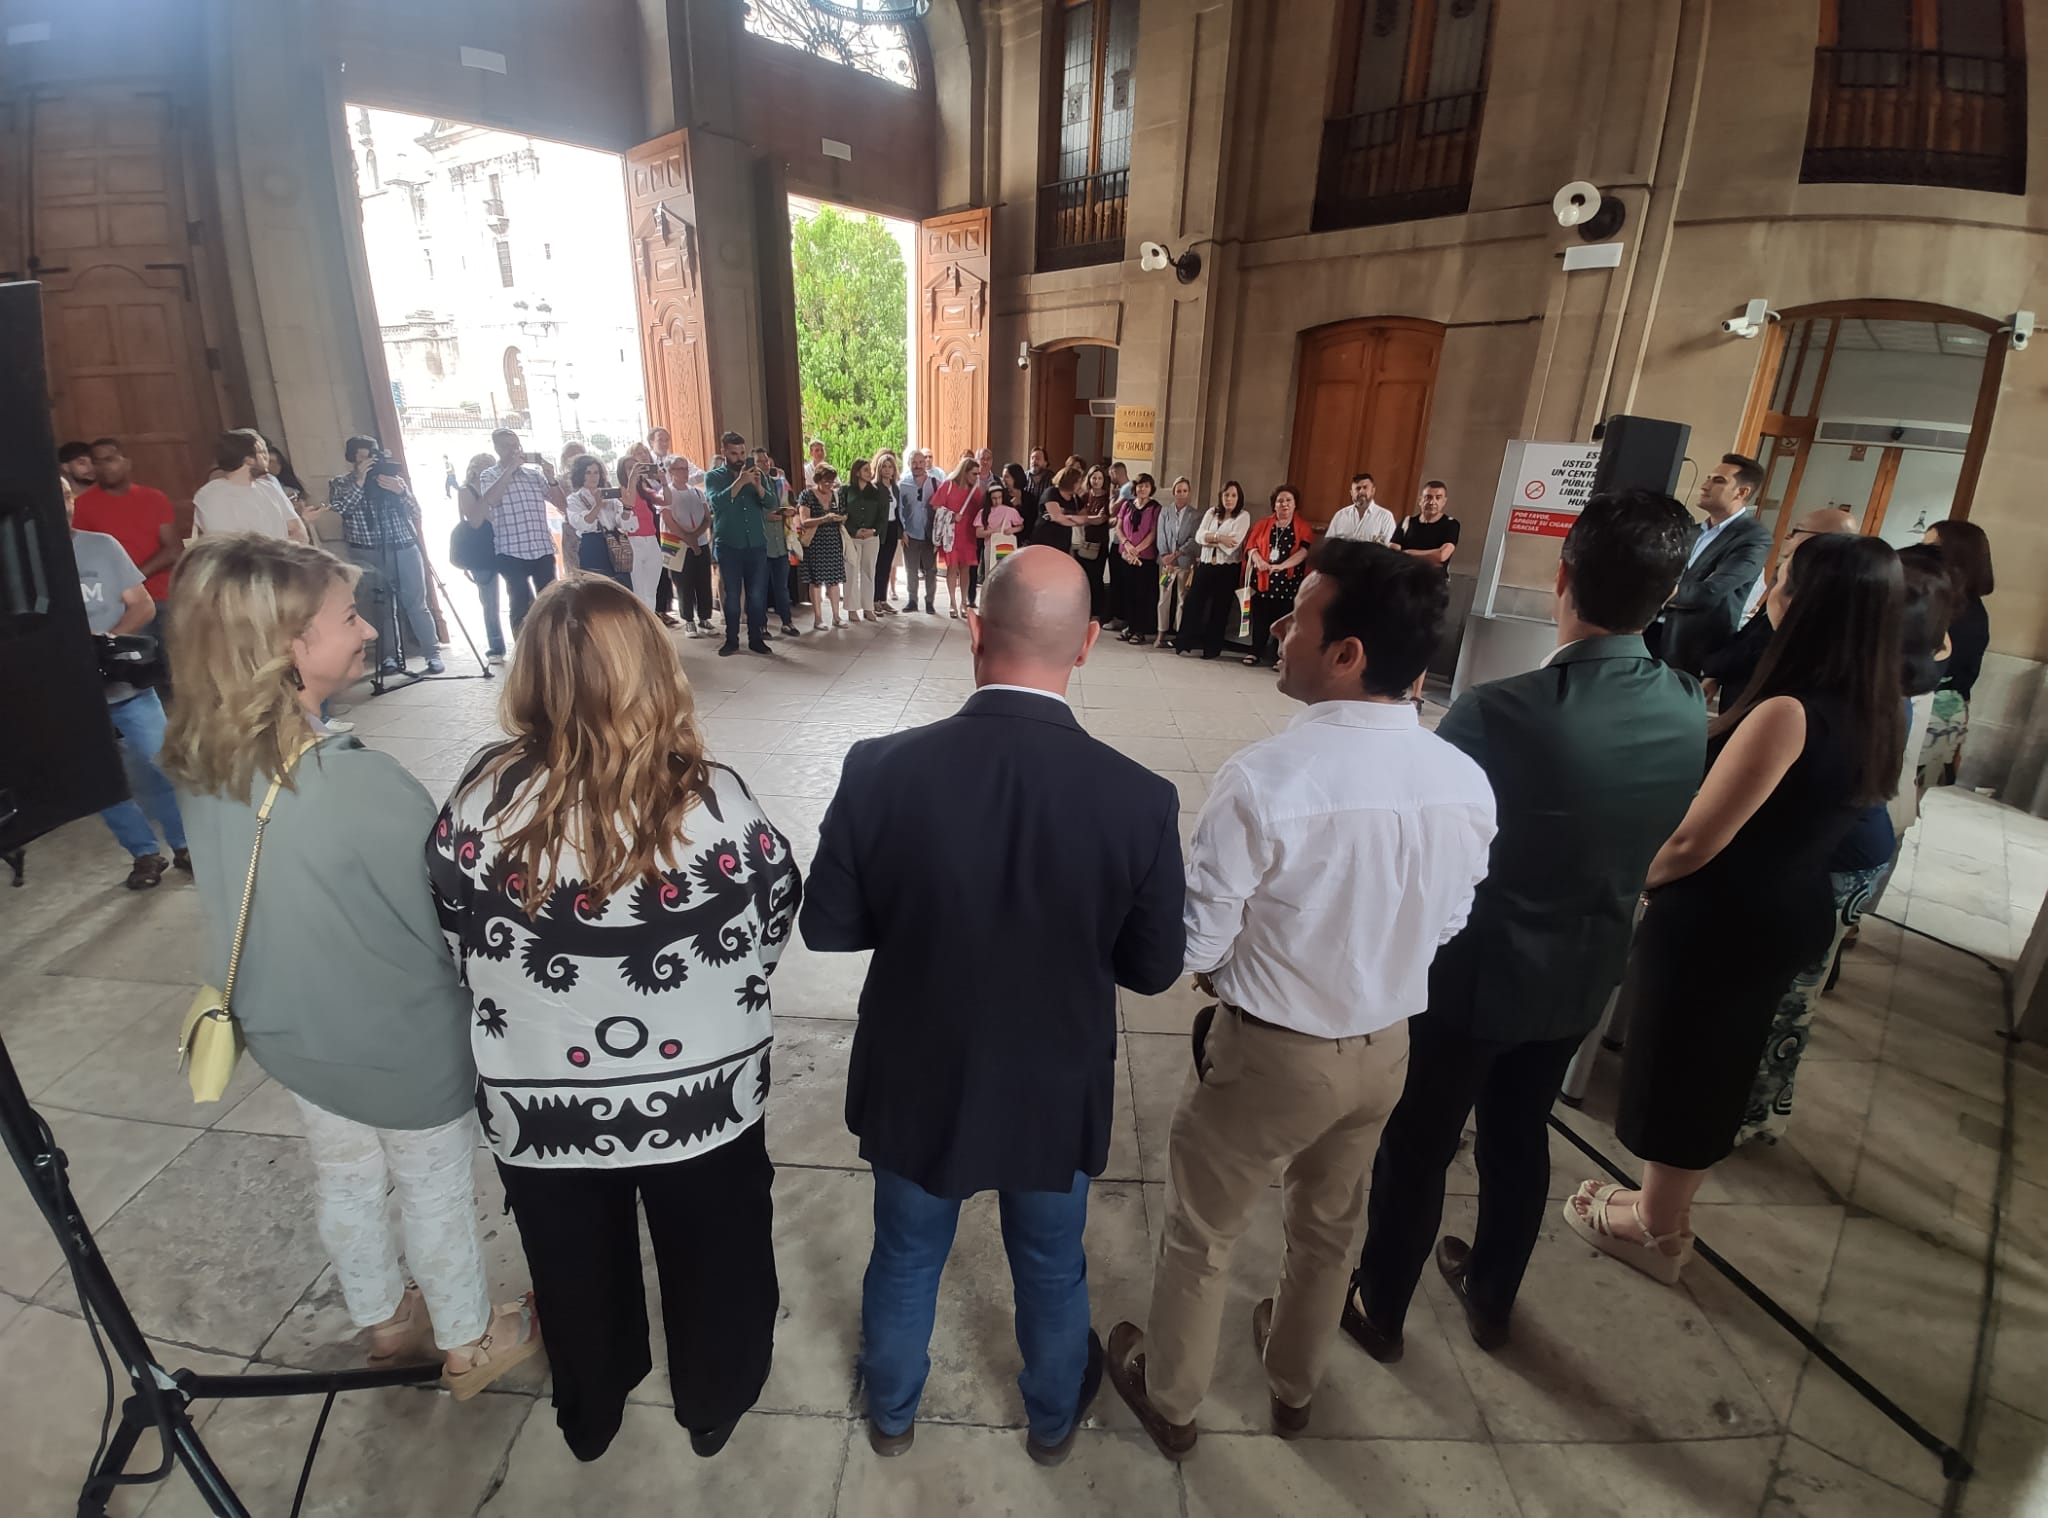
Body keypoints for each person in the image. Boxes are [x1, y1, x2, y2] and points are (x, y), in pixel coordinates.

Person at [1106, 540, 1496, 1459]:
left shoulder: (1267, 779)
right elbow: (1448, 922)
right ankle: (1293, 1386)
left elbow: (1197, 941)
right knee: (1330, 1227)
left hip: (1274, 1056)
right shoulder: (1463, 780)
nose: (1278, 629)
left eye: (1300, 616)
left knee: (1203, 1231)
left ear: (1349, 653)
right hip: (1387, 1049)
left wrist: (1237, 962)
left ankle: (1172, 1399)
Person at [801, 546, 1185, 1466]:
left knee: (904, 1254)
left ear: (973, 631)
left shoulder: (879, 768)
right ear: (1088, 645)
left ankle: (892, 1413)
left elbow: (827, 928)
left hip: (918, 1075)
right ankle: (1052, 1421)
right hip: (1052, 1084)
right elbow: (1154, 969)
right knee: (1052, 1264)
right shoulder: (1140, 799)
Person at [428, 576, 800, 1462]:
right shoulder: (712, 800)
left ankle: (591, 1411)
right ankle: (713, 1401)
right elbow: (775, 911)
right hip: (703, 1097)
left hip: (540, 1098)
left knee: (571, 1264)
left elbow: (453, 928)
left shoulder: (480, 800)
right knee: (720, 1259)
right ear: (651, 671)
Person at [161, 534, 539, 1394]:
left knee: (344, 1173)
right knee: (433, 1183)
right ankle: (470, 1341)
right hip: (395, 1038)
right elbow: (450, 914)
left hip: (292, 1031)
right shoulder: (356, 783)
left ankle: (381, 1318)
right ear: (291, 644)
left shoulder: (202, 759)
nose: (368, 629)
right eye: (348, 616)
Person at [1343, 490, 1703, 1364]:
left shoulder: (1498, 711)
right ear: (1666, 593)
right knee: (1518, 1131)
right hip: (1584, 970)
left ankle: (1378, 1307)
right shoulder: (1688, 702)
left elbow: (1427, 845)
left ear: (1564, 576)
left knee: (1419, 1144)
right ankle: (1493, 1292)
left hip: (1475, 974)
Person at [1565, 533, 1904, 1283]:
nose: (1769, 589)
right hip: (1785, 908)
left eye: (1782, 578)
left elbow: (1694, 842)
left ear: (1814, 604)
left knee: (1680, 1073)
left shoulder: (1789, 711)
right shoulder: (1878, 704)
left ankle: (1655, 1233)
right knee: (1715, 1069)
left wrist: (1623, 884)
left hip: (1726, 918)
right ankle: (1662, 1213)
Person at [1740, 543, 1957, 1145]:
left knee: (1790, 997)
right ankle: (1759, 1105)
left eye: (1784, 581)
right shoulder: (1862, 675)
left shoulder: (1853, 688)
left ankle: (1754, 1111)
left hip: (1833, 857)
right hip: (1839, 852)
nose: (1773, 593)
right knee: (1792, 991)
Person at [68, 486, 190, 888]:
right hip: (69, 695)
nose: (64, 505)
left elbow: (141, 605)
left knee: (162, 761)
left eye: (67, 497)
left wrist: (102, 644)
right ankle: (143, 853)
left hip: (123, 683)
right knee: (100, 780)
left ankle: (186, 844)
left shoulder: (101, 547)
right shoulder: (18, 557)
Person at [1700, 506, 1855, 712]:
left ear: (1826, 540)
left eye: (1797, 531)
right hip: (1738, 697)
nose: (1788, 537)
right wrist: (1716, 674)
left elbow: (1764, 648)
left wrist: (1717, 664)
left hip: (1767, 707)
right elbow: (1752, 633)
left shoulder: (1824, 600)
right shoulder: (1790, 577)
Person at [1646, 454, 1769, 676]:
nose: (1705, 486)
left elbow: (1709, 592)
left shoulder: (1753, 538)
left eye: (1718, 481)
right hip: (1651, 634)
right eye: (1708, 478)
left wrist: (1656, 590)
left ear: (1742, 493)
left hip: (1690, 648)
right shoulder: (1691, 531)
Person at [330, 441, 443, 676]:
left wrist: (400, 492)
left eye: (372, 457)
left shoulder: (392, 480)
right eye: (363, 459)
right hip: (367, 550)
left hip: (403, 547)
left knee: (416, 604)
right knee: (381, 607)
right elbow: (343, 508)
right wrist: (360, 482)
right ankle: (389, 656)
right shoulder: (341, 482)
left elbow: (415, 512)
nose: (369, 463)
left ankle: (432, 654)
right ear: (353, 459)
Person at [72, 437, 181, 625]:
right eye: (97, 462)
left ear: (127, 463)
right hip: (117, 603)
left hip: (162, 595)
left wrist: (132, 579)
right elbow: (83, 555)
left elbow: (173, 550)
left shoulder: (155, 498)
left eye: (110, 459)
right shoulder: (81, 506)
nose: (104, 467)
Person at [1918, 518, 1993, 790]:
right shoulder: (1963, 606)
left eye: (1930, 549)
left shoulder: (1956, 611)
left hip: (1930, 714)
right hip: (1944, 713)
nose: (1920, 556)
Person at [476, 428, 564, 633]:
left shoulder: (534, 475)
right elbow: (492, 500)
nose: (513, 450)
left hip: (541, 548)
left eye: (515, 445)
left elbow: (560, 503)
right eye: (507, 446)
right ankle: (524, 649)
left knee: (551, 601)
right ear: (497, 448)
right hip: (511, 551)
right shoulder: (489, 475)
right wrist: (510, 469)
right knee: (521, 602)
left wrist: (551, 478)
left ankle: (552, 643)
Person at [704, 430, 774, 656]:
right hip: (729, 545)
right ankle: (731, 639)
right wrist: (739, 482)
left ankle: (756, 638)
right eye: (734, 453)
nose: (740, 457)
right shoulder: (713, 477)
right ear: (724, 452)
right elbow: (717, 503)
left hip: (756, 544)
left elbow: (771, 503)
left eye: (742, 452)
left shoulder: (757, 474)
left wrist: (758, 487)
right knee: (732, 595)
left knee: (756, 595)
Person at [1174, 481, 1253, 661]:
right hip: (1206, 564)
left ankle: (1212, 648)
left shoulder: (1243, 516)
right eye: (1226, 495)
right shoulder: (1211, 512)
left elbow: (1233, 544)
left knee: (1220, 609)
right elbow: (1200, 536)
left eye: (1233, 495)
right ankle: (1185, 642)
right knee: (1193, 602)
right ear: (1221, 496)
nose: (1229, 499)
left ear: (1239, 497)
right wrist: (1219, 537)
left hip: (1227, 568)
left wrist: (1213, 539)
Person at [1239, 486, 1313, 667]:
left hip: (1287, 582)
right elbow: (1251, 547)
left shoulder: (1303, 527)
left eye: (1288, 500)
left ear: (1295, 504)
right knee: (1260, 618)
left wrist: (1281, 566)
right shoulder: (1263, 524)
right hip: (1263, 579)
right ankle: (1255, 651)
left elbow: (1304, 552)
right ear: (1274, 505)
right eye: (1280, 501)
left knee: (1285, 620)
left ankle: (1282, 656)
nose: (1284, 504)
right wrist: (1259, 561)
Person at [193, 430, 307, 541]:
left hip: (282, 557)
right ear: (249, 460)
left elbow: (299, 532)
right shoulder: (212, 495)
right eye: (262, 452)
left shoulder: (270, 486)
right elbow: (227, 546)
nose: (267, 457)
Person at [454, 452, 509, 660]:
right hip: (481, 551)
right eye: (482, 466)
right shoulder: (466, 491)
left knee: (517, 593)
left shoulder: (501, 487)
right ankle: (496, 646)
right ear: (474, 469)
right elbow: (476, 519)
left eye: (491, 466)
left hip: (504, 545)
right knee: (489, 601)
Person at [662, 456, 717, 637]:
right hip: (678, 544)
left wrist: (696, 535)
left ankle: (704, 617)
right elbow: (669, 520)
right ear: (671, 473)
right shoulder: (667, 494)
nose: (684, 472)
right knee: (683, 582)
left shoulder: (697, 492)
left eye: (686, 468)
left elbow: (707, 517)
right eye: (679, 469)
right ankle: (688, 620)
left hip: (700, 542)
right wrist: (687, 537)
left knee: (703, 581)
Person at [753, 446, 804, 637]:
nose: (765, 464)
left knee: (782, 586)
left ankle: (787, 621)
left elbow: (791, 502)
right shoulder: (751, 485)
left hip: (781, 542)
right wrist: (766, 516)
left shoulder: (779, 482)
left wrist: (789, 510)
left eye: (767, 461)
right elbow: (749, 512)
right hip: (762, 544)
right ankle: (761, 625)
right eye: (760, 461)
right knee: (761, 587)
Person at [932, 454, 986, 620]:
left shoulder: (976, 491)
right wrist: (951, 515)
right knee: (952, 568)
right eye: (974, 474)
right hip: (952, 534)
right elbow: (935, 505)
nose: (977, 477)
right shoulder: (948, 485)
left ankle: (964, 602)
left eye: (978, 474)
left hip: (969, 534)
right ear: (965, 472)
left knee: (966, 569)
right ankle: (952, 602)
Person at [565, 455, 630, 588]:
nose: (593, 476)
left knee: (621, 587)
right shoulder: (575, 499)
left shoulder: (610, 496)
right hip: (592, 545)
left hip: (615, 542)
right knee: (597, 588)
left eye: (596, 472)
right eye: (588, 472)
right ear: (580, 474)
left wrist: (627, 507)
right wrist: (598, 505)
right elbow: (581, 523)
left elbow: (623, 523)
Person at [839, 458, 890, 624]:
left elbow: (883, 516)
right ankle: (852, 608)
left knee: (868, 571)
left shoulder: (878, 492)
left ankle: (868, 607)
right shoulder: (846, 490)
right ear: (857, 472)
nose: (870, 473)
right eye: (866, 470)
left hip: (871, 537)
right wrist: (854, 530)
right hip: (852, 537)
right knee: (851, 572)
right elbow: (841, 512)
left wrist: (873, 530)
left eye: (870, 470)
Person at [799, 463, 850, 630]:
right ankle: (818, 618)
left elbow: (844, 514)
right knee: (816, 582)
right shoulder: (807, 495)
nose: (829, 485)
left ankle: (836, 616)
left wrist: (840, 518)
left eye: (831, 481)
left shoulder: (836, 495)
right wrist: (824, 519)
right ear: (818, 479)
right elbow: (804, 521)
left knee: (834, 580)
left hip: (833, 542)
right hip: (815, 543)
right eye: (825, 481)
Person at [1153, 476, 1200, 650]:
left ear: (1189, 493)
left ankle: (1179, 635)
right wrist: (1166, 555)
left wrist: (1178, 553)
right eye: (1178, 491)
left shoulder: (1196, 515)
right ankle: (1161, 633)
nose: (1181, 494)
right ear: (1173, 492)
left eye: (1184, 491)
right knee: (1163, 598)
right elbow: (1161, 535)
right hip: (1167, 564)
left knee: (1182, 599)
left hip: (1184, 562)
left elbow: (1194, 539)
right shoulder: (1165, 512)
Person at [1112, 473, 1160, 643]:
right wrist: (1127, 544)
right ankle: (1129, 626)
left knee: (1142, 594)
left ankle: (1140, 629)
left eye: (1146, 486)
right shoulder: (1127, 504)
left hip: (1144, 557)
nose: (1142, 489)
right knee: (1128, 592)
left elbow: (1153, 533)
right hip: (1126, 554)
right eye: (1140, 485)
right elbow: (1119, 527)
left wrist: (1137, 550)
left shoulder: (1155, 507)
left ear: (1151, 488)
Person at [619, 448, 667, 609]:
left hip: (651, 541)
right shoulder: (620, 491)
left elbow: (666, 500)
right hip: (633, 541)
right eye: (629, 468)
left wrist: (664, 482)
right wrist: (632, 480)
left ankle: (651, 623)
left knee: (651, 591)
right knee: (639, 591)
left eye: (636, 467)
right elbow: (628, 504)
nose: (633, 470)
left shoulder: (645, 490)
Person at [895, 449, 939, 614]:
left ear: (925, 463)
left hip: (930, 535)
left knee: (931, 570)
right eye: (914, 462)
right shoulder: (903, 485)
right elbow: (898, 510)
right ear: (909, 464)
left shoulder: (936, 483)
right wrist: (902, 531)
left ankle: (930, 602)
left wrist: (939, 535)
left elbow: (943, 509)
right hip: (910, 535)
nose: (918, 465)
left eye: (921, 462)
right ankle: (912, 600)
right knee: (911, 570)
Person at [1392, 480, 1459, 571]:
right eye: (1428, 497)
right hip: (1405, 578)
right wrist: (1430, 557)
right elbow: (1393, 553)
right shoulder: (1407, 522)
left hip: (1433, 581)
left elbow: (1442, 555)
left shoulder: (1451, 524)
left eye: (1438, 498)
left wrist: (1407, 553)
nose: (1432, 502)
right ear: (1420, 500)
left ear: (1444, 501)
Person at [1078, 465, 1114, 622]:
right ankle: (1083, 609)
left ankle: (1096, 612)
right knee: (1083, 577)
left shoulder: (1107, 497)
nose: (1097, 481)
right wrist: (1092, 519)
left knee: (1096, 578)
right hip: (1084, 541)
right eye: (1094, 478)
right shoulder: (1085, 496)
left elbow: (1104, 519)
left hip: (1100, 542)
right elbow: (1081, 518)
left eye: (1100, 478)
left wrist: (1092, 519)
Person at [1325, 473, 1396, 545]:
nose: (1361, 491)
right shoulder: (1340, 515)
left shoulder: (1385, 517)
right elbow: (1329, 544)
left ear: (1373, 491)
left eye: (1365, 487)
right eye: (1357, 488)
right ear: (1351, 493)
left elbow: (1388, 548)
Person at [873, 450, 904, 614]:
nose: (887, 469)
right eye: (884, 466)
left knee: (887, 566)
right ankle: (875, 600)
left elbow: (898, 511)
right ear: (879, 469)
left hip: (892, 529)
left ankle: (883, 599)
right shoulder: (875, 488)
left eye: (890, 466)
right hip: (880, 530)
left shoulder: (895, 488)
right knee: (878, 566)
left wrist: (902, 531)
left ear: (894, 469)